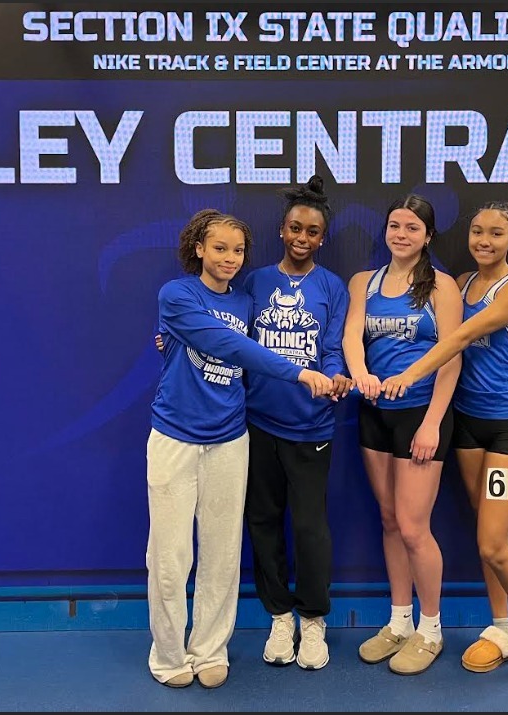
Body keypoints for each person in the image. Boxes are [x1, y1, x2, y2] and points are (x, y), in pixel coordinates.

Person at [379, 201, 508, 696]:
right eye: (477, 231)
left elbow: (460, 336)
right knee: (485, 530)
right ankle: (500, 629)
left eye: (496, 233)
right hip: (468, 428)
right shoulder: (459, 284)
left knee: (493, 543)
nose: (484, 240)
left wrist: (408, 375)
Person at [146, 209, 333, 690]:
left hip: (230, 438)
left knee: (222, 554)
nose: (230, 258)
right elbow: (228, 345)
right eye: (220, 248)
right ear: (198, 249)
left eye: (238, 250)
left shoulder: (247, 301)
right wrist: (298, 372)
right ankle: (168, 655)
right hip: (175, 437)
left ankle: (210, 650)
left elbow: (246, 349)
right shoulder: (177, 294)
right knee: (170, 557)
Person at [342, 194, 462, 676]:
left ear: (428, 236)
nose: (401, 234)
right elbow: (352, 336)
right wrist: (361, 374)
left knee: (414, 527)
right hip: (375, 414)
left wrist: (432, 422)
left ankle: (431, 630)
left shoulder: (442, 287)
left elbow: (451, 357)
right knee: (390, 521)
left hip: (421, 416)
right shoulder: (363, 282)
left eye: (412, 228)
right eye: (395, 225)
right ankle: (399, 622)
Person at [242, 175, 352, 670]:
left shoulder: (331, 287)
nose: (302, 238)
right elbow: (228, 333)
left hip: (311, 427)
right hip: (258, 423)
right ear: (281, 230)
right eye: (295, 228)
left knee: (310, 527)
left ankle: (312, 619)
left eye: (312, 231)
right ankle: (279, 616)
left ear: (322, 238)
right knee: (263, 521)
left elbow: (333, 347)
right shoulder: (255, 281)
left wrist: (335, 377)